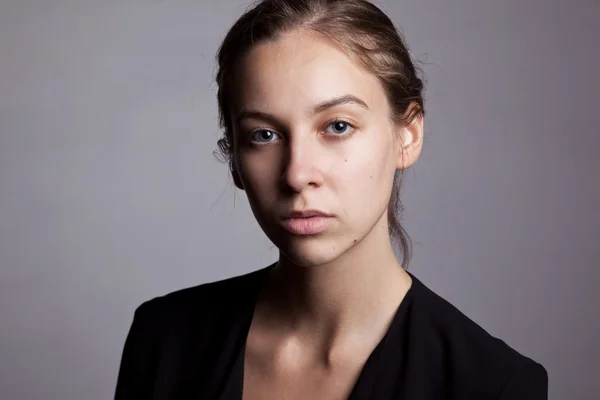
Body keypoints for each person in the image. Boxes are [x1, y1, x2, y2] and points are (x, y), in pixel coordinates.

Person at [114, 0, 548, 398]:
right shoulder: (165, 340)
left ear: (407, 135)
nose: (298, 174)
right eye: (263, 135)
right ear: (234, 159)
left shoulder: (494, 385)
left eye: (337, 126)